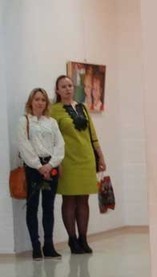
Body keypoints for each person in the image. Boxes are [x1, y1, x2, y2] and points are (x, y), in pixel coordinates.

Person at [50, 75, 107, 254]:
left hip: (86, 159)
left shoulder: (83, 107)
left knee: (84, 200)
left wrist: (100, 157)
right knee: (69, 200)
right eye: (63, 86)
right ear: (57, 90)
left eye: (70, 85)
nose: (67, 89)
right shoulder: (53, 110)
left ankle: (83, 238)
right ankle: (72, 240)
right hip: (67, 160)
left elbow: (93, 135)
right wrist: (56, 161)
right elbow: (51, 138)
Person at [17, 87, 65, 260]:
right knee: (32, 206)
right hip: (33, 169)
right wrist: (38, 166)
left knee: (48, 207)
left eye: (43, 100)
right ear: (31, 101)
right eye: (37, 99)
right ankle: (36, 246)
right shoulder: (24, 121)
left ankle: (49, 245)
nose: (40, 102)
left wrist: (50, 164)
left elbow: (60, 145)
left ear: (47, 103)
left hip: (51, 167)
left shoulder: (52, 122)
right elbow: (24, 145)